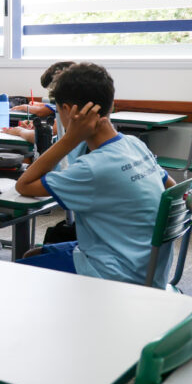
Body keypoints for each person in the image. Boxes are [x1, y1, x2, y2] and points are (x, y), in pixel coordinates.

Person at [15, 63, 176, 286]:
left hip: (115, 274)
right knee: (33, 255)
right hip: (147, 267)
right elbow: (173, 188)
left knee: (16, 276)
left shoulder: (91, 168)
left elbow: (24, 185)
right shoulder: (134, 144)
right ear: (110, 104)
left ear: (68, 111)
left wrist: (70, 138)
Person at [6, 60, 76, 143]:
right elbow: (55, 128)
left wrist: (20, 131)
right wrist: (38, 125)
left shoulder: (72, 107)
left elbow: (42, 137)